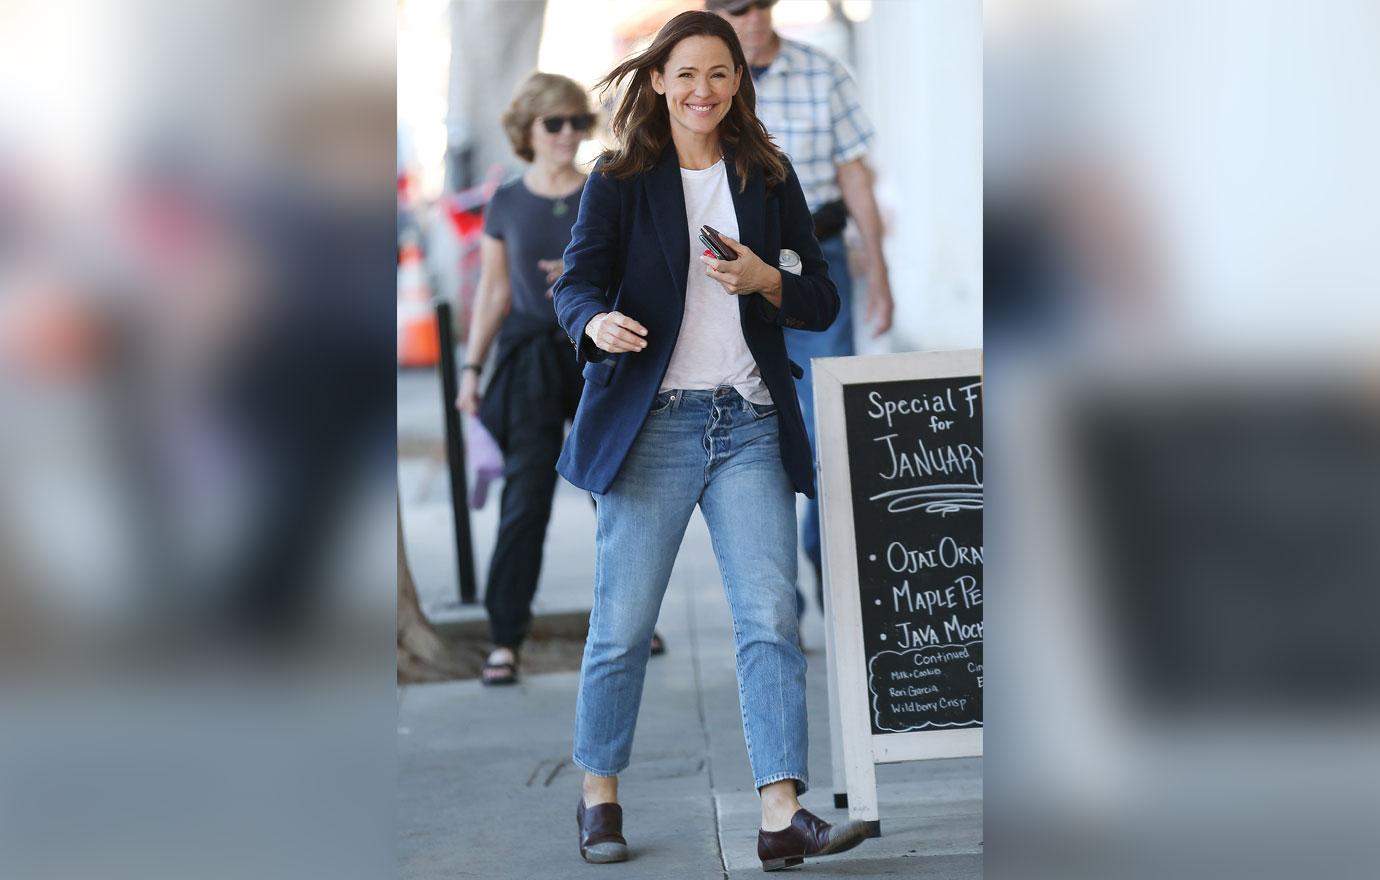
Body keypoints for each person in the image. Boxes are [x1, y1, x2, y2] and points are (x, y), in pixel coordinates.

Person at [552, 11, 870, 870]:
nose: (704, 90)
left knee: (769, 614)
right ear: (657, 80)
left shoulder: (768, 175)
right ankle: (599, 795)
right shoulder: (620, 177)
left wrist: (768, 279)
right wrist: (598, 322)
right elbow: (574, 285)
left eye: (720, 74)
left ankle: (780, 813)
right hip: (651, 425)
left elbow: (822, 298)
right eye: (686, 73)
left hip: (749, 422)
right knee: (621, 625)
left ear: (738, 82)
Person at [458, 72, 654, 685]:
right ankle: (504, 638)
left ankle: (629, 624)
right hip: (531, 360)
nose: (568, 133)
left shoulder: (608, 187)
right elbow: (493, 292)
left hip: (598, 351)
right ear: (528, 130)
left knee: (616, 492)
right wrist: (471, 367)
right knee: (525, 501)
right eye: (554, 123)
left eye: (577, 121)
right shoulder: (508, 202)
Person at [710, 0, 894, 611]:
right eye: (738, 8)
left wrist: (881, 272)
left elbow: (856, 175)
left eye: (762, 4)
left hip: (816, 258)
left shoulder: (824, 73)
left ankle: (829, 567)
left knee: (822, 426)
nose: (754, 17)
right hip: (733, 268)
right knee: (753, 421)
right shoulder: (705, 84)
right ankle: (773, 587)